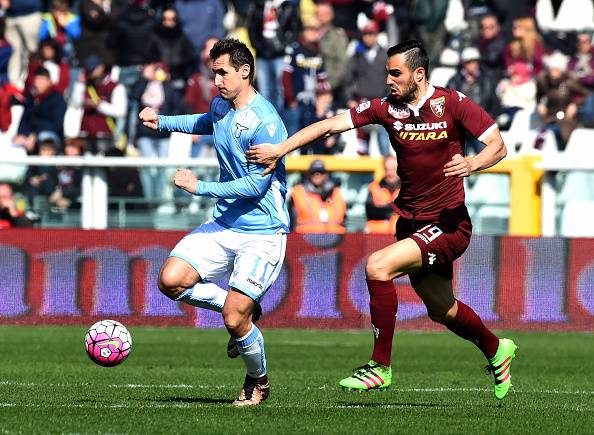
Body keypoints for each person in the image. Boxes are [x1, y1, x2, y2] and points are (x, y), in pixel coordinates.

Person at [246, 39, 518, 401]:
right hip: (411, 222)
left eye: (395, 73)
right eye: (386, 73)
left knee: (377, 266)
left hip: (450, 223)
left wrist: (471, 164)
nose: (388, 80)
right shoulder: (385, 109)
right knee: (441, 309)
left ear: (418, 74)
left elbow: (497, 145)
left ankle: (380, 366)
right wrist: (281, 149)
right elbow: (329, 125)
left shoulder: (452, 103)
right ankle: (497, 349)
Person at [138, 38, 290, 407]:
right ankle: (243, 308)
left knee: (234, 320)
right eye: (214, 73)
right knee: (171, 280)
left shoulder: (266, 123)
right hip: (224, 225)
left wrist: (199, 186)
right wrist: (163, 122)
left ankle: (257, 381)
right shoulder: (222, 106)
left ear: (245, 71)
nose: (217, 80)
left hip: (262, 232)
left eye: (223, 72)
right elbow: (205, 121)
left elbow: (257, 185)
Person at [289, 159, 346, 234]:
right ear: (308, 174)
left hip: (335, 239)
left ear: (326, 174)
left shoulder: (336, 192)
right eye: (314, 172)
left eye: (321, 172)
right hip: (304, 239)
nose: (317, 174)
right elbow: (291, 220)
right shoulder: (298, 192)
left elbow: (344, 220)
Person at [365, 155, 400, 234]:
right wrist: (394, 209)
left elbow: (411, 212)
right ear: (384, 169)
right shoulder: (374, 187)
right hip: (377, 235)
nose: (390, 173)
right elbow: (370, 212)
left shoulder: (407, 188)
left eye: (393, 169)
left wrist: (385, 207)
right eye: (387, 169)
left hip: (400, 237)